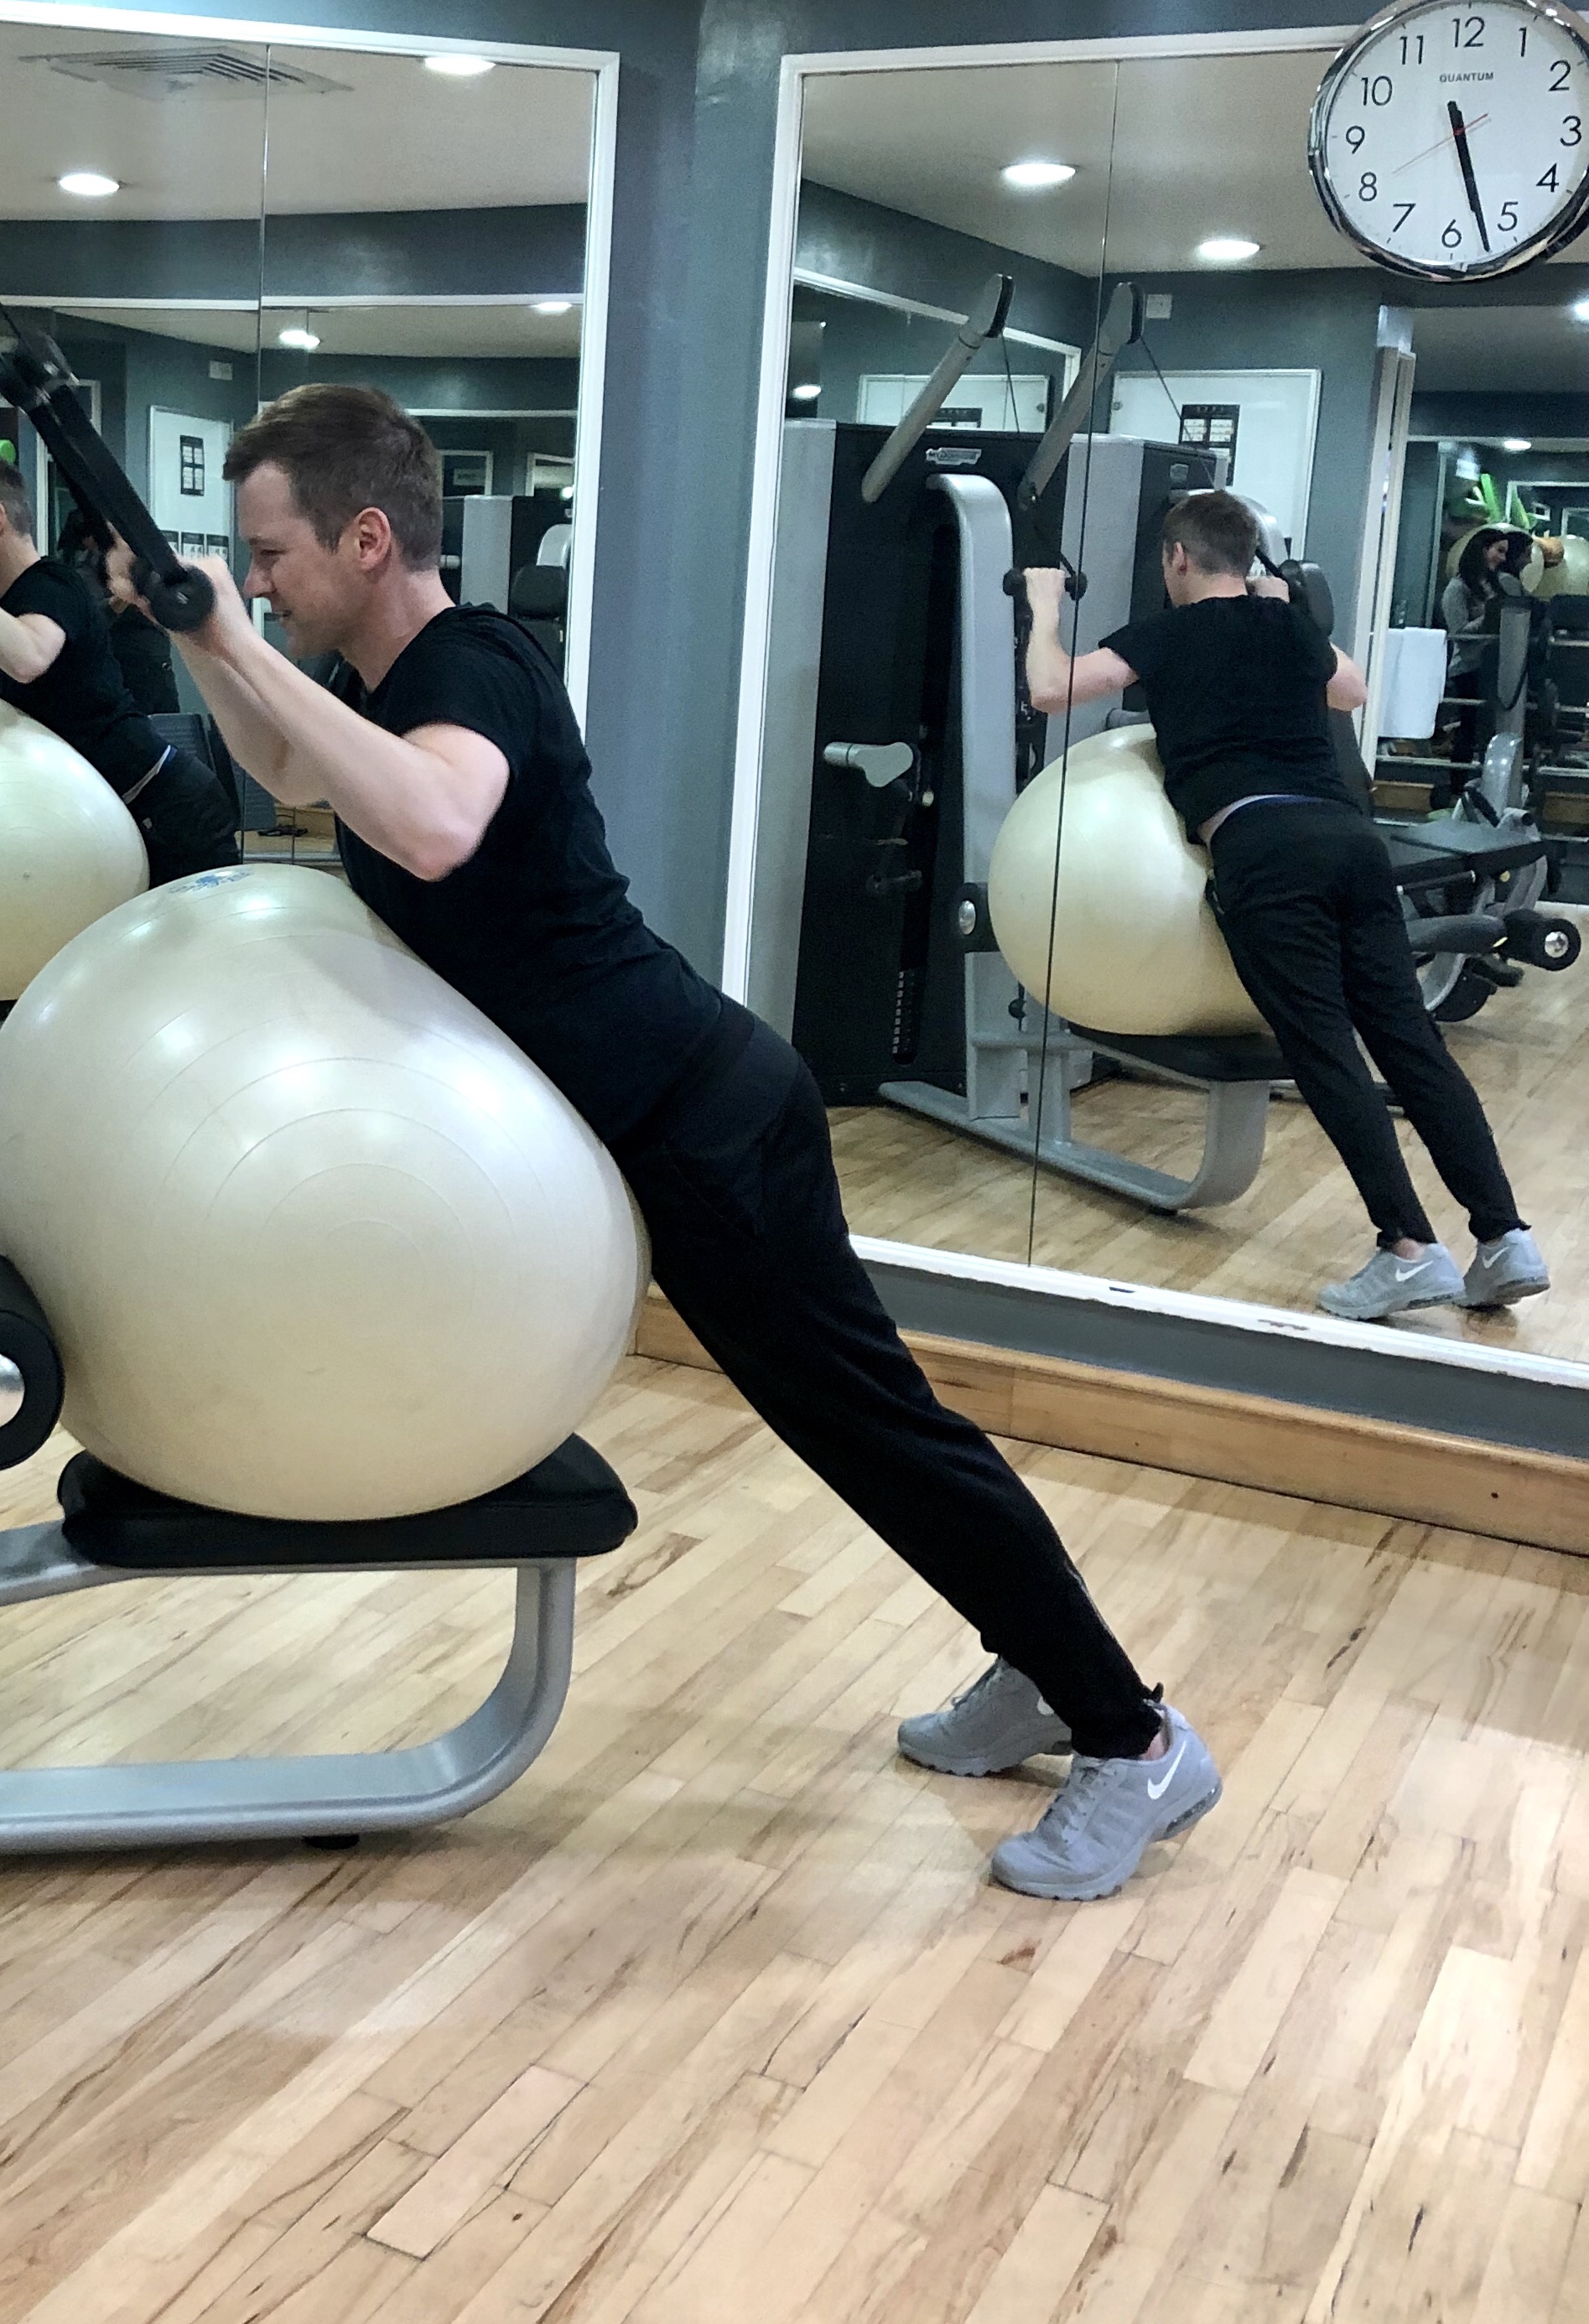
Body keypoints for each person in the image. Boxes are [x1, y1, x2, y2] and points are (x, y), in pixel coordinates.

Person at [149, 380, 1217, 1902]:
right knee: (865, 1430)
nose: (259, 582)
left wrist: (234, 639)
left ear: (366, 538)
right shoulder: (390, 689)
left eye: (271, 555)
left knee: (874, 1429)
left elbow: (436, 825)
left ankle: (1132, 1734)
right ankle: (1043, 1669)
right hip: (661, 1118)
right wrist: (202, 637)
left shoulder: (475, 664)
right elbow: (299, 774)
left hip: (705, 1115)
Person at [1026, 487, 1545, 1325]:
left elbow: (1051, 689)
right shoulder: (1288, 627)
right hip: (1352, 844)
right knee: (1412, 1046)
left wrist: (1045, 605)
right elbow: (1353, 689)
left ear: (1178, 559)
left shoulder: (1162, 634)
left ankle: (1407, 1250)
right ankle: (1505, 1238)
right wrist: (1282, 606)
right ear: (1248, 560)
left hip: (1266, 852)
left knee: (1324, 1050)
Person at [0, 449, 237, 881]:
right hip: (115, 812)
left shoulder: (52, 584)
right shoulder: (6, 601)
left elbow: (28, 658)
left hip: (167, 810)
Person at [1439, 527, 1563, 773]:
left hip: (1495, 666)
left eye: (1506, 552)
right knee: (1470, 726)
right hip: (1469, 668)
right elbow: (1459, 634)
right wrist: (1490, 617)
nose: (1503, 558)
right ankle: (1458, 781)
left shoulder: (1493, 584)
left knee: (1489, 728)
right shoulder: (1457, 588)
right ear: (1482, 550)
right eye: (1499, 551)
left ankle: (1488, 776)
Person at [58, 516, 180, 714]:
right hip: (121, 669)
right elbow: (91, 619)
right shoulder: (85, 572)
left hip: (157, 666)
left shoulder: (147, 565)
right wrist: (124, 597)